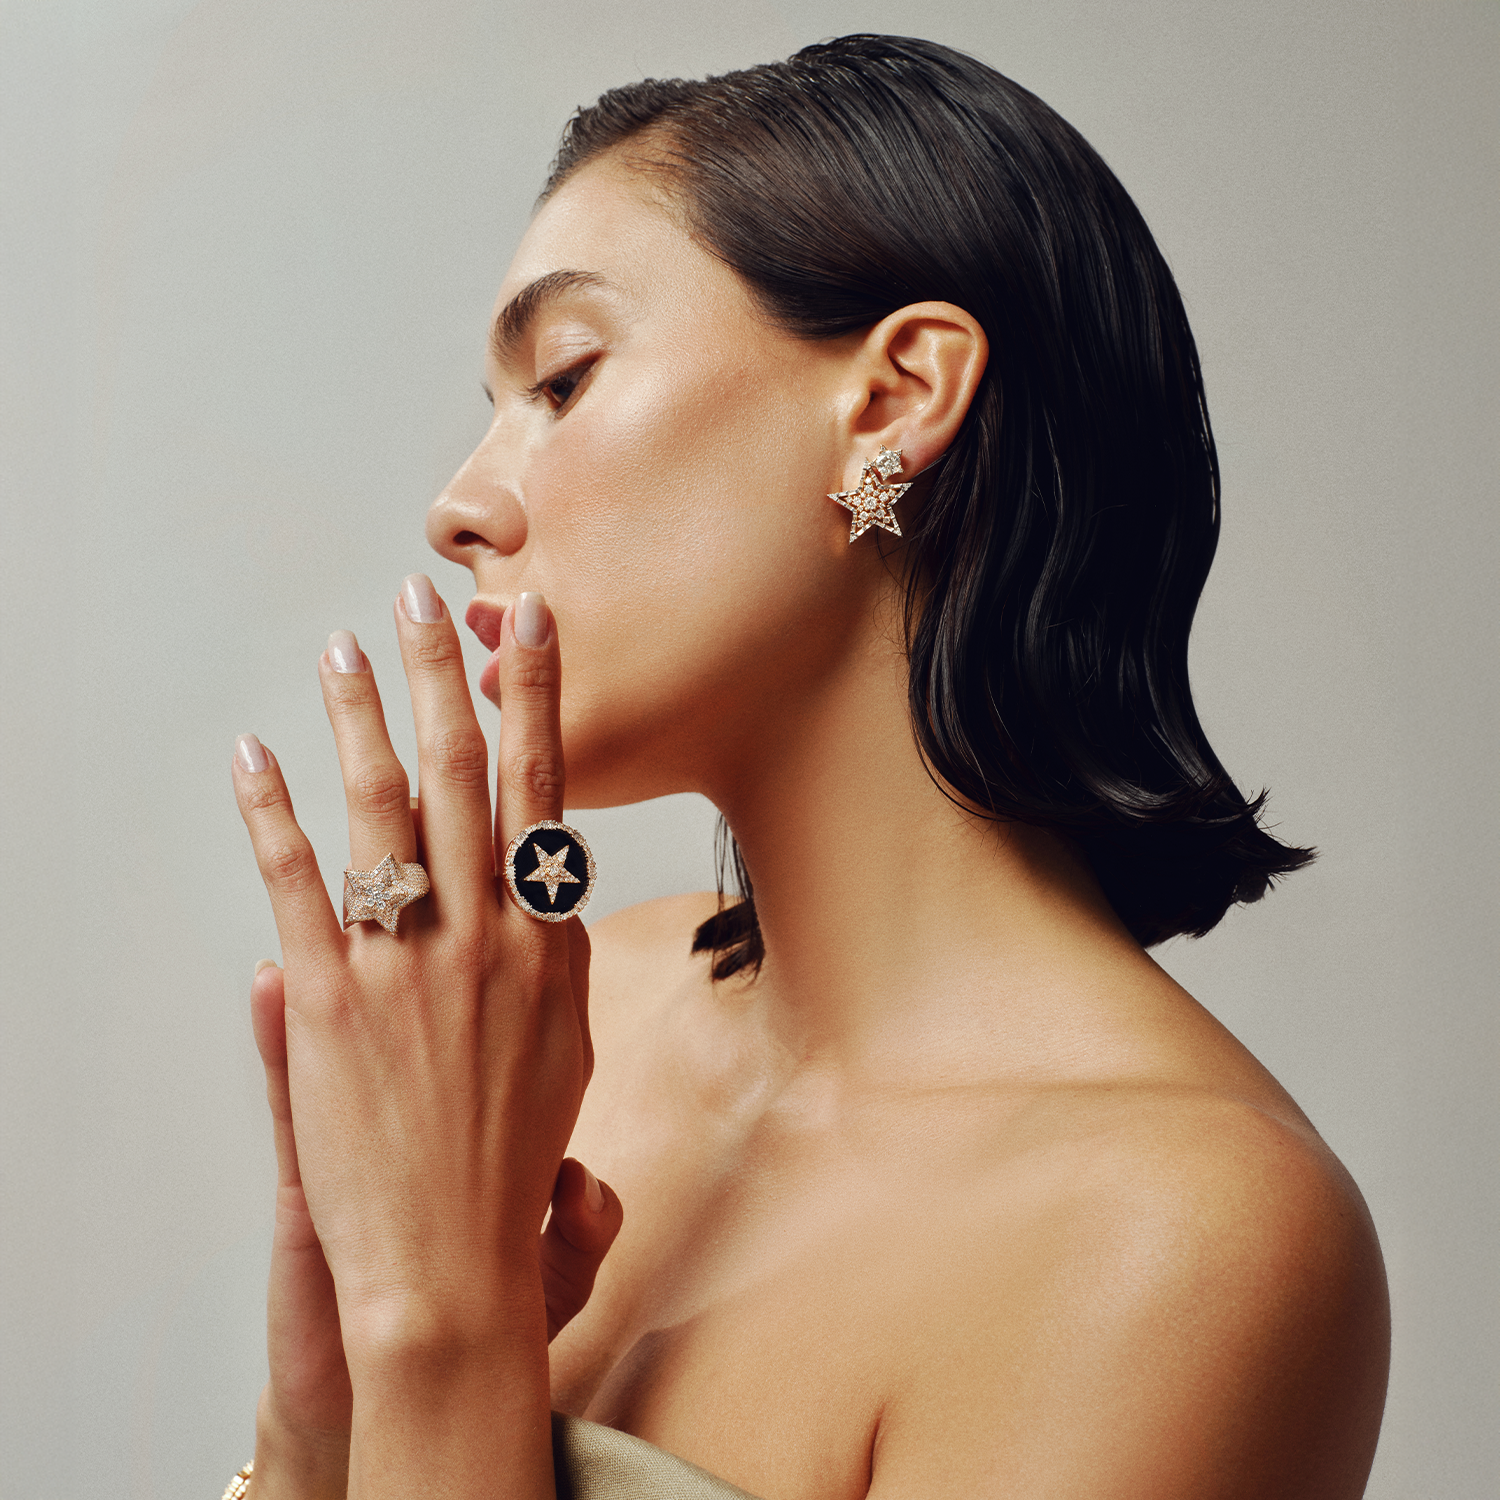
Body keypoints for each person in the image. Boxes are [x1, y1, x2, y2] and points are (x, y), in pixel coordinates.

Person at [228, 34, 1390, 1500]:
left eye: (563, 380)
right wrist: (315, 1433)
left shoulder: (1181, 1237)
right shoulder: (558, 1025)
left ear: (896, 401)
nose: (459, 506)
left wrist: (439, 1330)